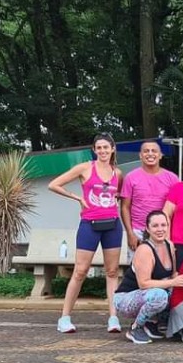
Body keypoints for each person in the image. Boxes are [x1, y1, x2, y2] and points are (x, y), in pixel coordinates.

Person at [48, 133, 125, 333]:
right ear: (94, 150)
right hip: (89, 224)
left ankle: (113, 318)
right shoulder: (85, 168)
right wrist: (77, 198)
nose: (102, 151)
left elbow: (118, 195)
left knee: (112, 272)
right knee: (80, 271)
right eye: (99, 148)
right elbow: (54, 184)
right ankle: (64, 318)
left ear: (112, 149)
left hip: (112, 225)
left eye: (106, 147)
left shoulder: (117, 173)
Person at [112, 211, 183, 344]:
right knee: (160, 295)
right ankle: (136, 328)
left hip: (150, 294)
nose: (160, 229)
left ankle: (152, 323)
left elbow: (173, 275)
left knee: (179, 290)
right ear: (147, 228)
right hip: (125, 298)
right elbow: (144, 284)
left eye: (163, 225)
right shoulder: (144, 249)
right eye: (155, 226)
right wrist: (173, 282)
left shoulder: (169, 245)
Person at [120, 141, 179, 258]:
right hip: (138, 231)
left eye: (154, 151)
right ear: (140, 155)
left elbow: (176, 208)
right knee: (138, 267)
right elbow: (125, 207)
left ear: (160, 155)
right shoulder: (131, 177)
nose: (150, 154)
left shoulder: (172, 178)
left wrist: (171, 234)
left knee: (164, 267)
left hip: (163, 231)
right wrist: (130, 234)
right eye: (146, 151)